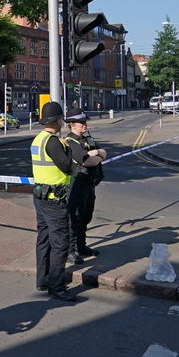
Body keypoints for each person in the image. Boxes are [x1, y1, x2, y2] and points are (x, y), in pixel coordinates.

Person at [30, 102, 76, 302]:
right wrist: (68, 149)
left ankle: (43, 280)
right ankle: (57, 287)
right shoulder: (54, 142)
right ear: (58, 121)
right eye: (62, 120)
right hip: (54, 200)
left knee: (44, 238)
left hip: (40, 195)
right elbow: (67, 167)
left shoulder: (38, 139)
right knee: (60, 243)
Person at [64, 109, 107, 265]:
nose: (84, 124)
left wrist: (97, 153)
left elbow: (104, 152)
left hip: (89, 184)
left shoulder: (86, 140)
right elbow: (87, 161)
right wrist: (96, 156)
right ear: (72, 125)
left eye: (85, 121)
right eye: (81, 122)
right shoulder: (71, 142)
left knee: (86, 216)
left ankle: (81, 247)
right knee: (74, 218)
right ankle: (70, 251)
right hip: (76, 184)